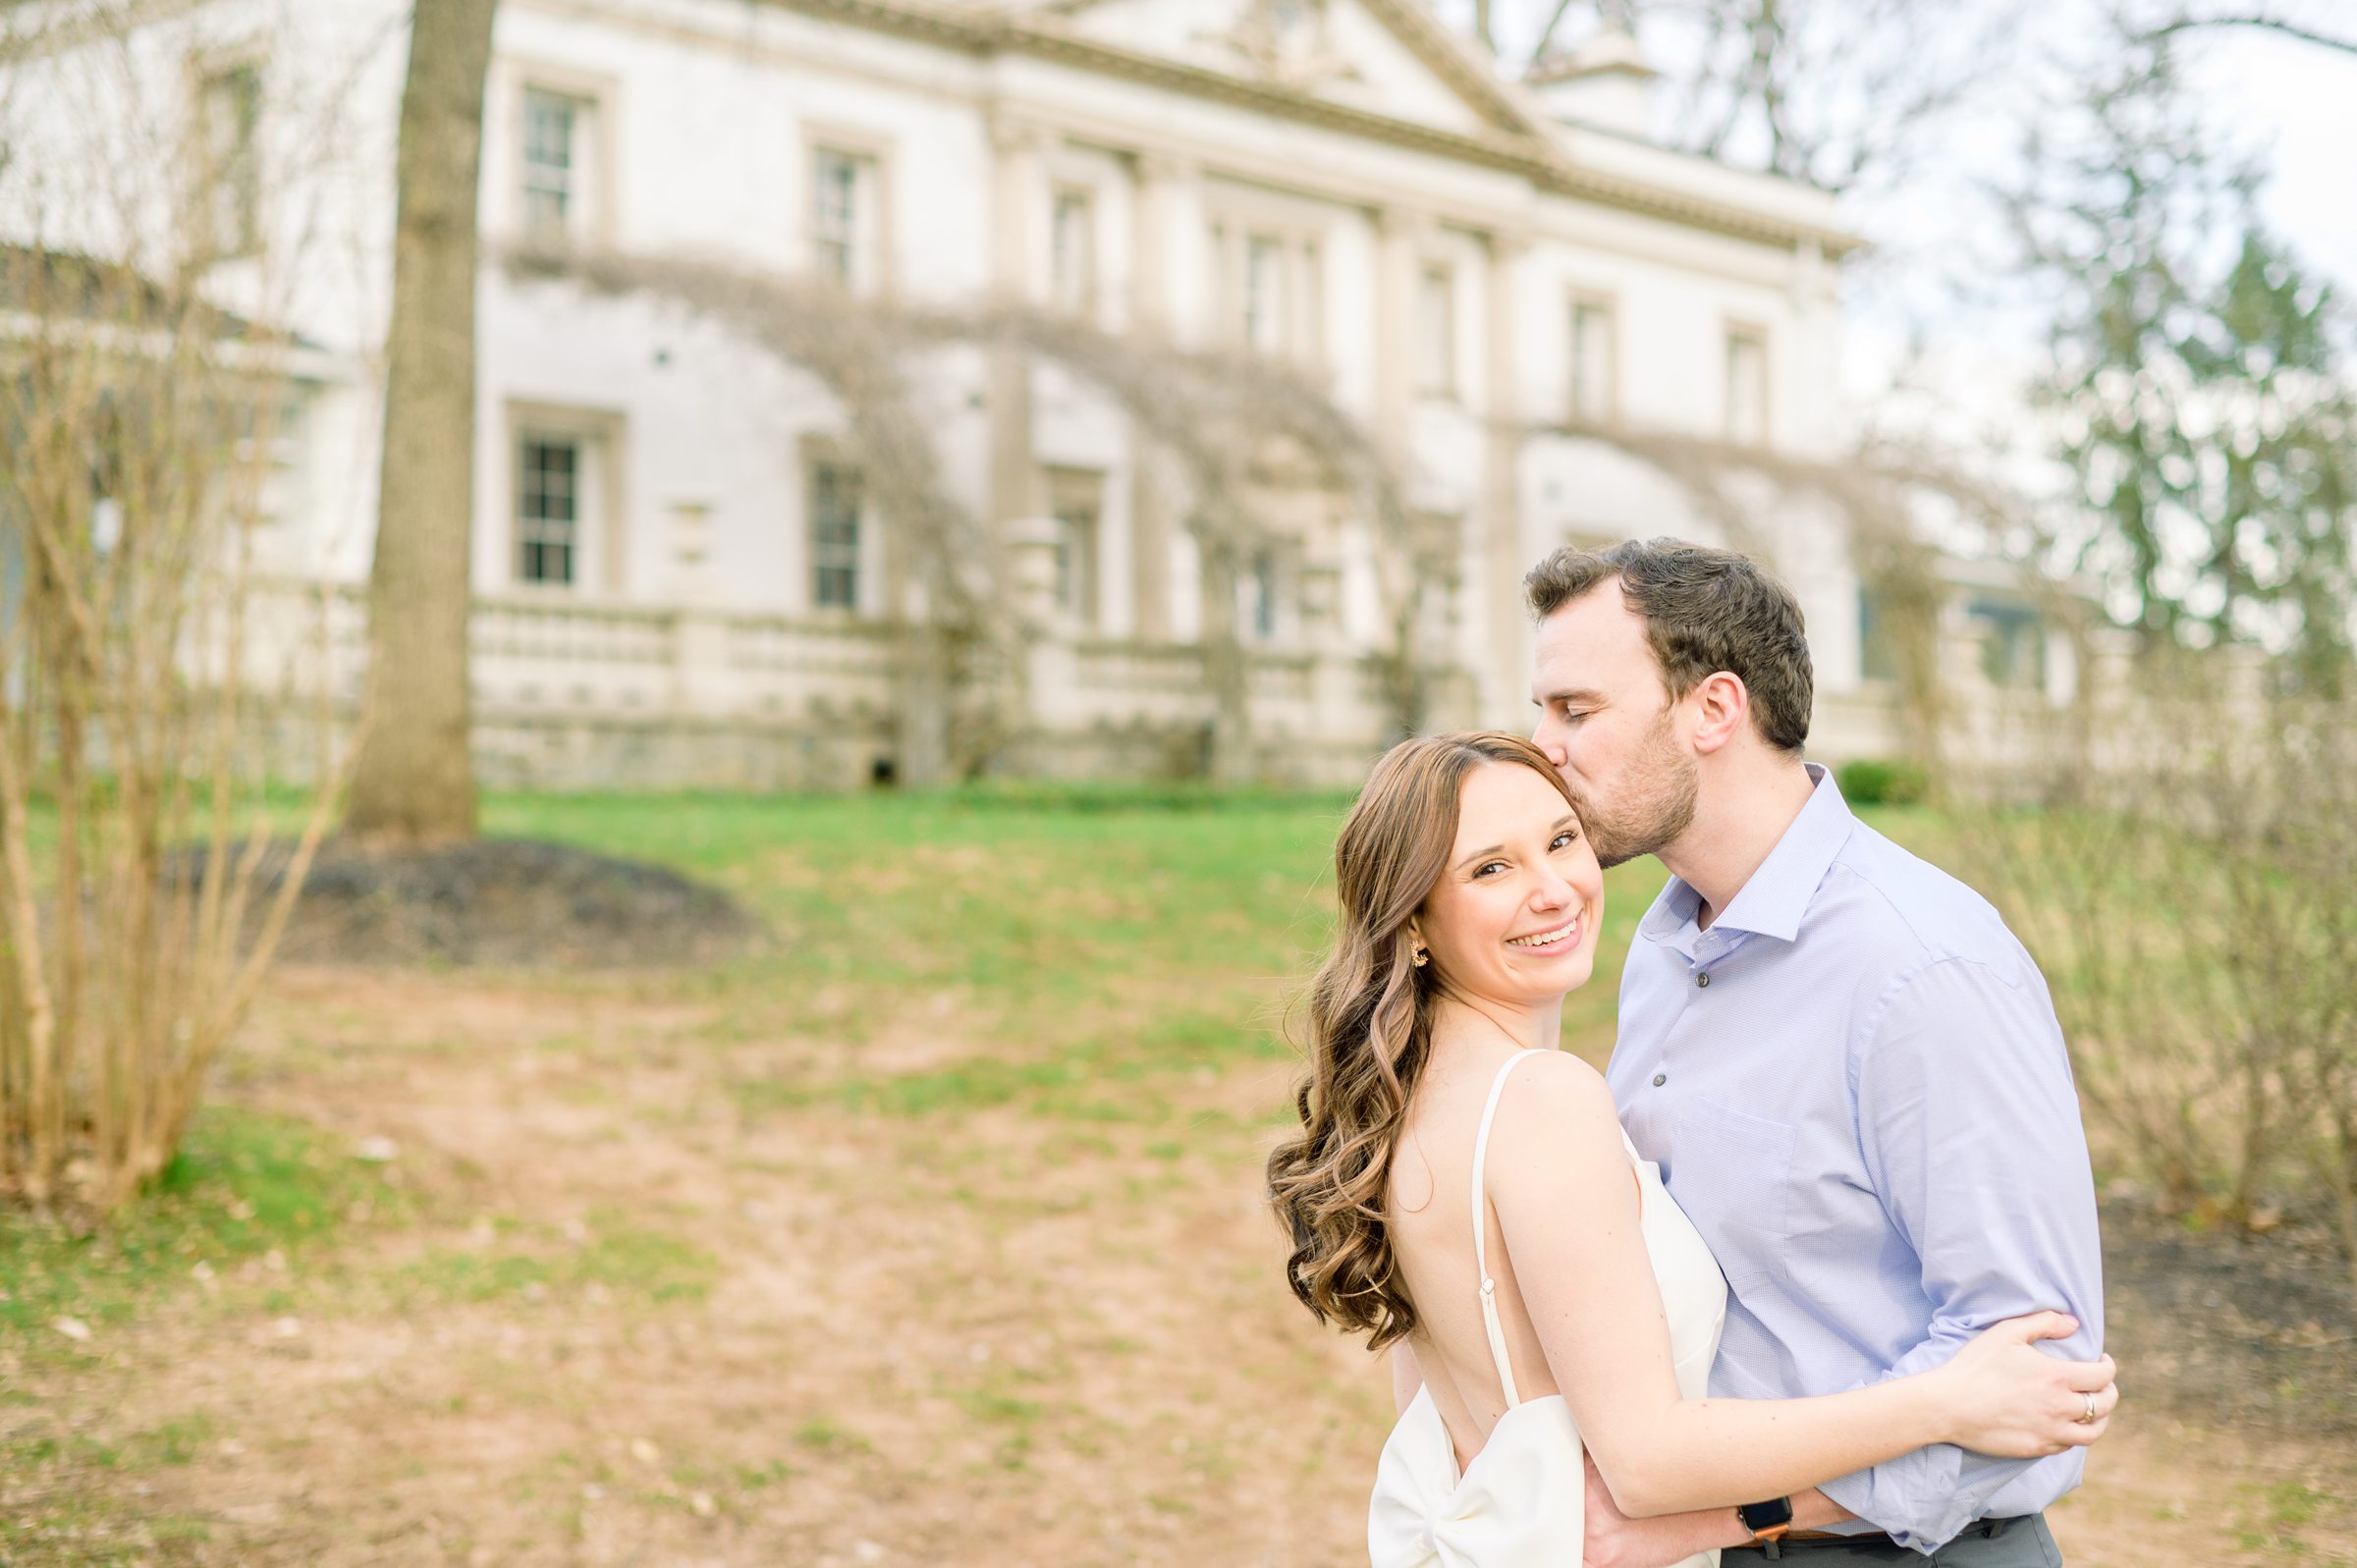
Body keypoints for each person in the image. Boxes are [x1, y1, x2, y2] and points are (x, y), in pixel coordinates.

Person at [1267, 730, 2116, 1568]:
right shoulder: (1540, 1100)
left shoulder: (1410, 1100)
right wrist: (1944, 1400)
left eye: (1562, 841)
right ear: (1412, 921)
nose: (1555, 888)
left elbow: (1438, 1412)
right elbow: (1647, 1459)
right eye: (1491, 868)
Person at [1522, 538, 2107, 1568]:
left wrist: (1735, 1514)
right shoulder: (1663, 946)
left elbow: (2036, 1360)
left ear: (1712, 709)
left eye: (1575, 711)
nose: (1543, 747)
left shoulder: (1923, 969)